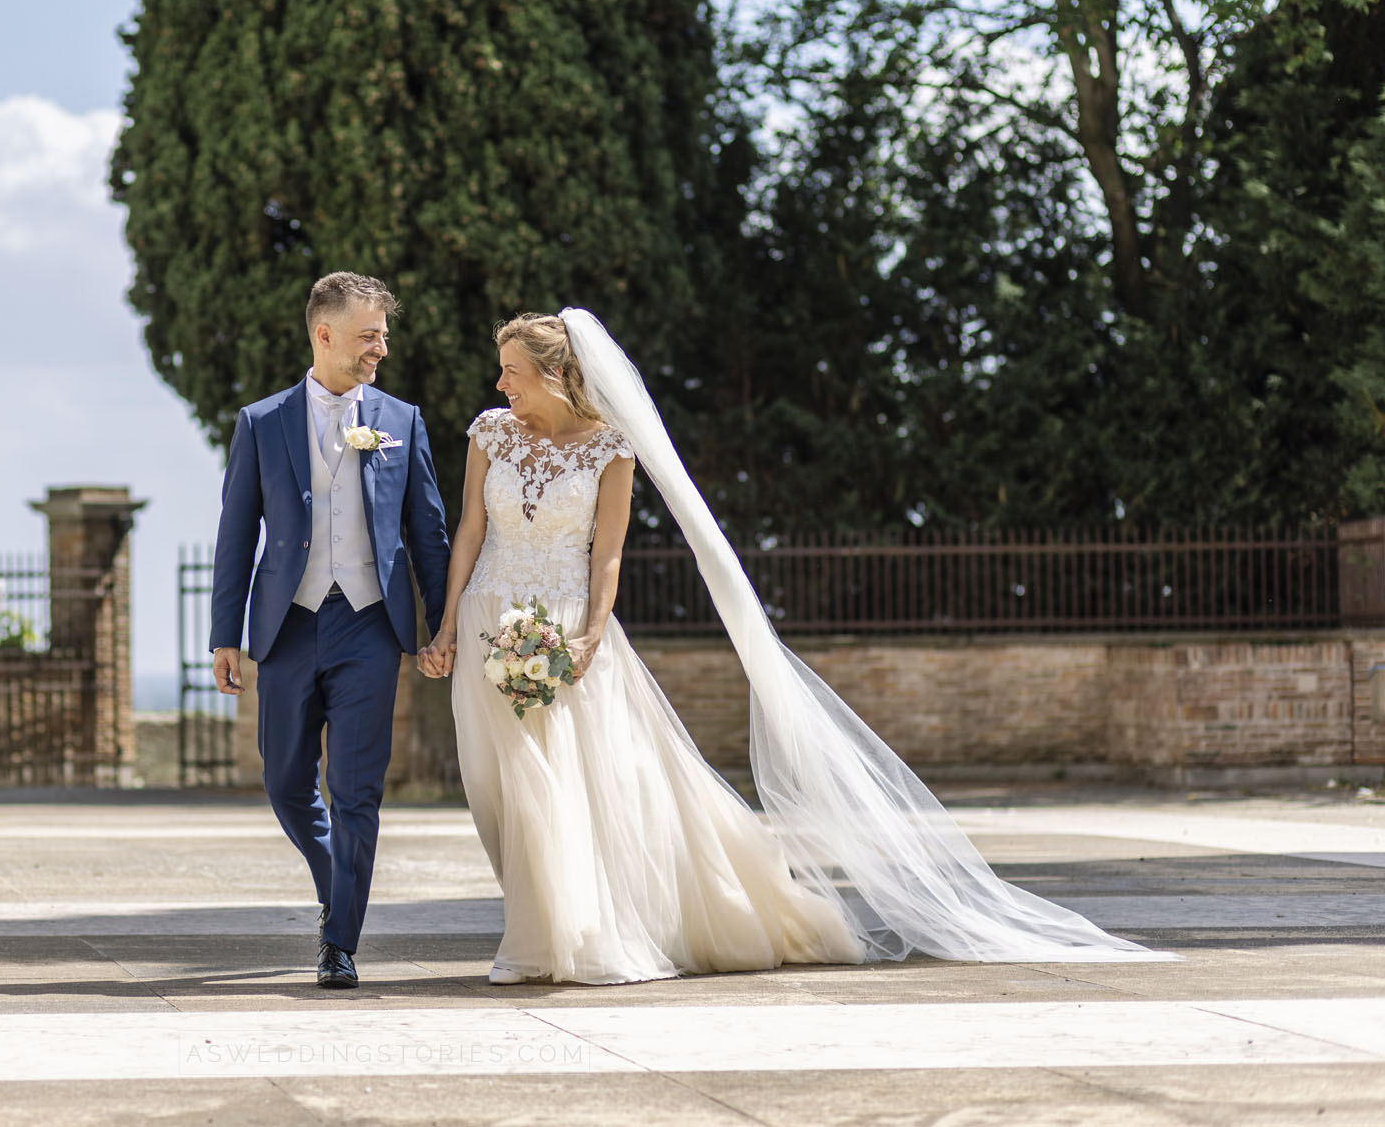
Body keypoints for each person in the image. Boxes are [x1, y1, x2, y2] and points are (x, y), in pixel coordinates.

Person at [419, 310, 1169, 984]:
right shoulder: (489, 433)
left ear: (553, 373)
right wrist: (450, 624)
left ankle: (561, 941)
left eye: (511, 369)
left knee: (564, 788)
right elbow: (471, 533)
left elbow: (607, 554)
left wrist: (588, 633)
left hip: (567, 628)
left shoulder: (611, 450)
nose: (500, 381)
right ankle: (546, 927)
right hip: (490, 618)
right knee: (495, 788)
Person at [208, 272, 452, 989]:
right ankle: (333, 884)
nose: (382, 346)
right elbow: (234, 535)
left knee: (355, 789)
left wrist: (441, 626)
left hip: (371, 627)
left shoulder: (402, 420)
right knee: (285, 781)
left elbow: (428, 532)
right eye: (369, 334)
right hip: (288, 626)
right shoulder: (261, 422)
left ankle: (340, 941)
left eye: (383, 333)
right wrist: (227, 634)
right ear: (325, 334)